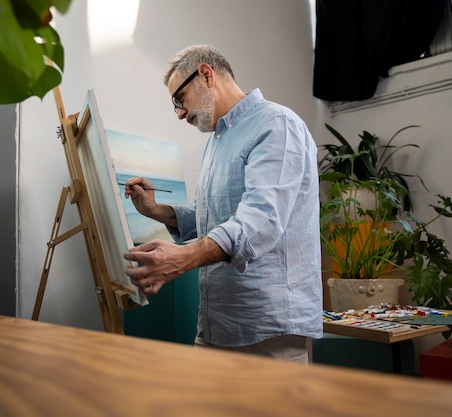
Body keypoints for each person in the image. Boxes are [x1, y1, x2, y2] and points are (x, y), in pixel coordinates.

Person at [122, 45, 322, 363]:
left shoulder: (277, 124)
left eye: (179, 99)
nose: (179, 113)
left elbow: (260, 221)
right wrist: (159, 211)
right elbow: (215, 217)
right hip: (217, 327)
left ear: (206, 74)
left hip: (267, 331)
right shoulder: (218, 141)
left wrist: (184, 258)